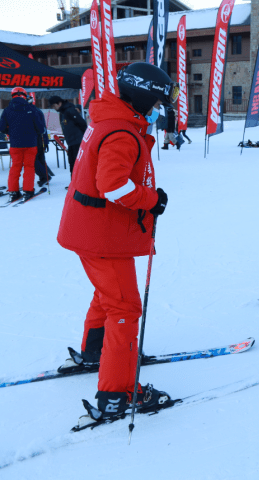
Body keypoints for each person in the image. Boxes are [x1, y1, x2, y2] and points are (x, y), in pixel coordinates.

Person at [56, 62, 176, 427]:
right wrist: (150, 199)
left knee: (107, 294)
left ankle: (95, 352)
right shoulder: (122, 132)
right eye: (156, 102)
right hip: (101, 233)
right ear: (141, 97)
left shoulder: (106, 118)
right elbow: (113, 187)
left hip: (91, 230)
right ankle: (118, 393)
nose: (158, 110)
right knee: (124, 307)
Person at [0, 87, 45, 202]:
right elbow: (40, 128)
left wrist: (10, 132)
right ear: (25, 95)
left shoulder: (7, 110)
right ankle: (28, 190)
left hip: (15, 144)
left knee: (15, 167)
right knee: (29, 167)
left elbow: (2, 127)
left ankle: (13, 191)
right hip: (31, 143)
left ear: (12, 95)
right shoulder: (31, 108)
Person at [49, 95, 87, 188]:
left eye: (54, 106)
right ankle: (74, 184)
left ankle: (80, 184)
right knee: (72, 164)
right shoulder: (63, 112)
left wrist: (83, 138)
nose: (54, 108)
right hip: (71, 142)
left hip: (77, 142)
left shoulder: (69, 110)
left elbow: (82, 123)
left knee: (77, 164)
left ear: (59, 103)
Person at [28, 94, 52, 187]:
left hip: (37, 138)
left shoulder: (32, 111)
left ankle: (44, 176)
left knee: (35, 159)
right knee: (40, 158)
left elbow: (39, 127)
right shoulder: (36, 110)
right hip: (40, 138)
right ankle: (44, 176)